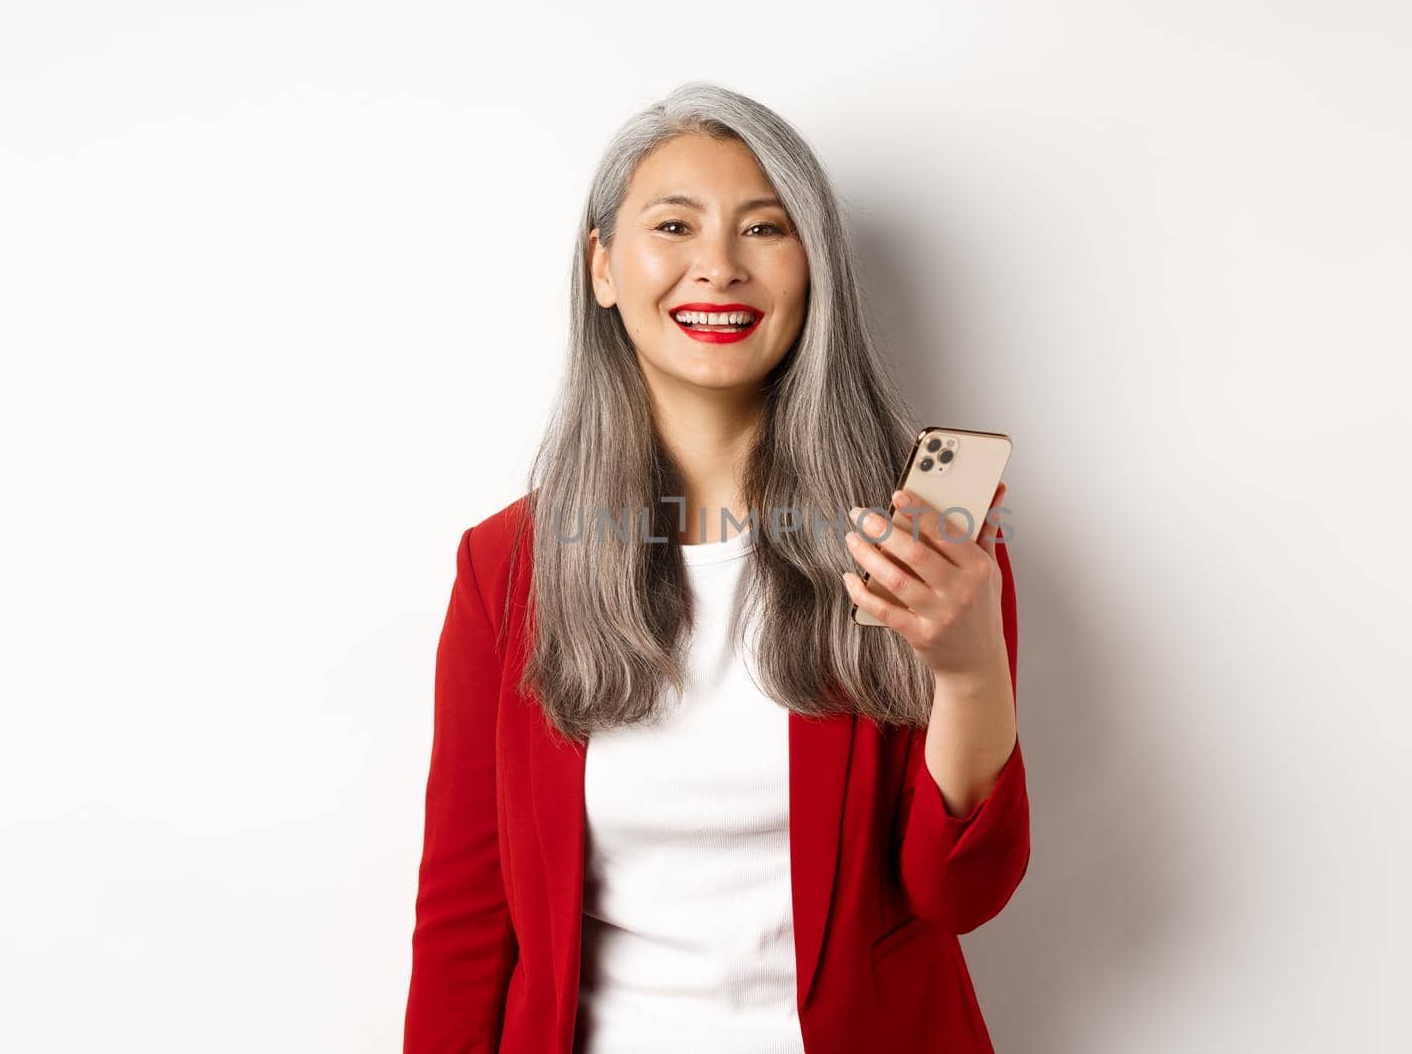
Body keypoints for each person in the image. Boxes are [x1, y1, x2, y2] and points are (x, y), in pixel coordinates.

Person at [403, 81, 1030, 1054]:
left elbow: (957, 892)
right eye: (674, 225)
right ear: (603, 265)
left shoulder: (924, 542)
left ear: (813, 270)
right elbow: (465, 917)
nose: (719, 268)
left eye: (764, 229)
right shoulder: (509, 566)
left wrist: (968, 664)